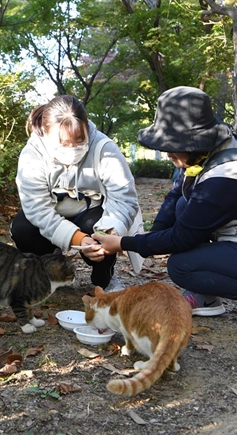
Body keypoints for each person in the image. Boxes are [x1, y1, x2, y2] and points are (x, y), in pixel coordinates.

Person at [95, 86, 237, 336]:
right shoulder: (211, 151)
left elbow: (181, 238)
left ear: (191, 143)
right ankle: (207, 295)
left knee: (181, 267)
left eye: (169, 145)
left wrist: (123, 243)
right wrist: (154, 234)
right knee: (182, 205)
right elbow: (178, 193)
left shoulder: (227, 176)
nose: (166, 152)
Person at [10, 94, 140, 292]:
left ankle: (104, 279)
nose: (72, 149)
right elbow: (38, 210)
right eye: (63, 142)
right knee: (23, 229)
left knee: (102, 230)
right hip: (53, 212)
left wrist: (110, 232)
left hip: (91, 211)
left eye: (80, 140)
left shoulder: (105, 149)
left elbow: (124, 200)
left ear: (87, 128)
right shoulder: (32, 154)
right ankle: (49, 265)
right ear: (46, 133)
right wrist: (78, 240)